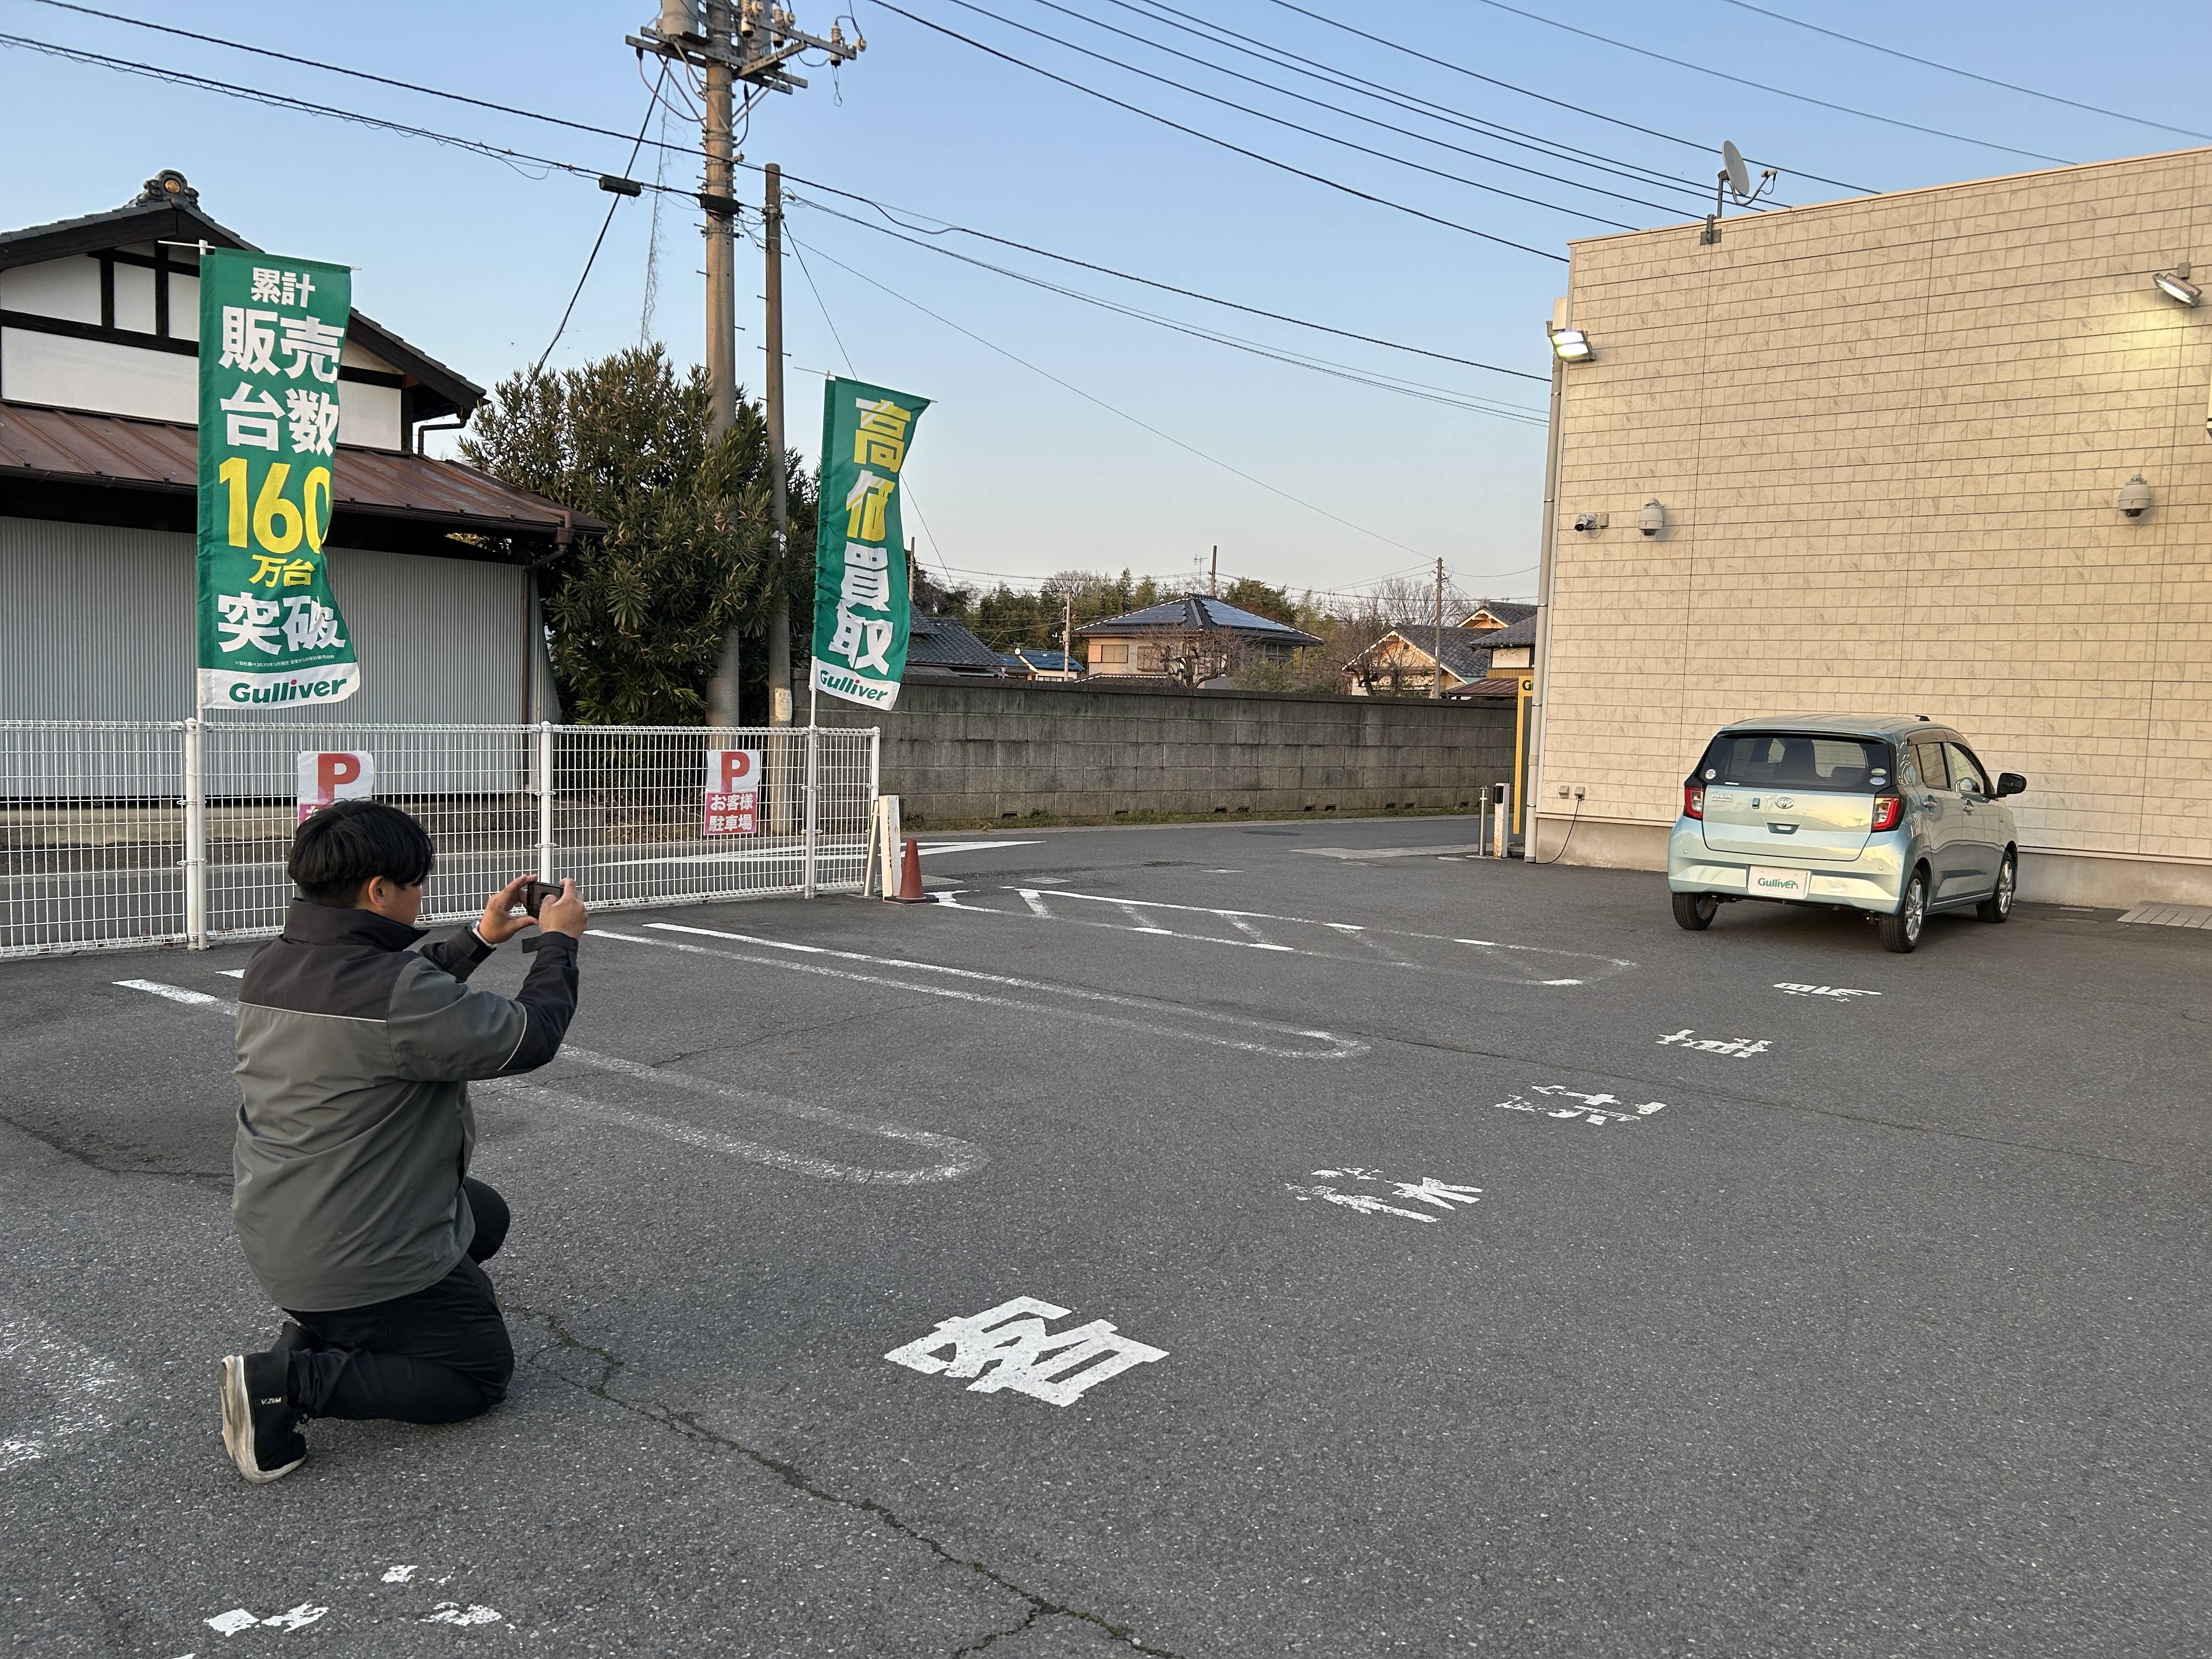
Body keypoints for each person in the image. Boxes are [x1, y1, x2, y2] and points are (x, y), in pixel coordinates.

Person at [217, 799, 586, 1483]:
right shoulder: (394, 991)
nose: (421, 896)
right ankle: (286, 1384)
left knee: (484, 1214)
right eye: (416, 883)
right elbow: (530, 1037)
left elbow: (398, 999)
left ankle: (329, 1328)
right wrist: (555, 942)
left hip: (284, 1223)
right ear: (378, 890)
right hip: (353, 1253)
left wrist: (480, 937)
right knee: (477, 1375)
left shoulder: (275, 962)